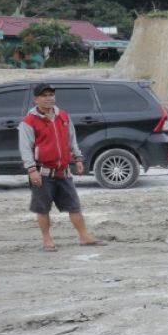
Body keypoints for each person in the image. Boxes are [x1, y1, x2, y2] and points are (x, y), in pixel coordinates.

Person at [18, 83, 104, 251]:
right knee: (42, 209)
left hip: (63, 172)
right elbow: (25, 148)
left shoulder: (63, 116)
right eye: (44, 95)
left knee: (74, 206)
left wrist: (78, 158)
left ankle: (84, 236)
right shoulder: (29, 121)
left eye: (51, 94)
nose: (49, 98)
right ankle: (47, 240)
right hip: (42, 173)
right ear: (36, 99)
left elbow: (71, 139)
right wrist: (31, 170)